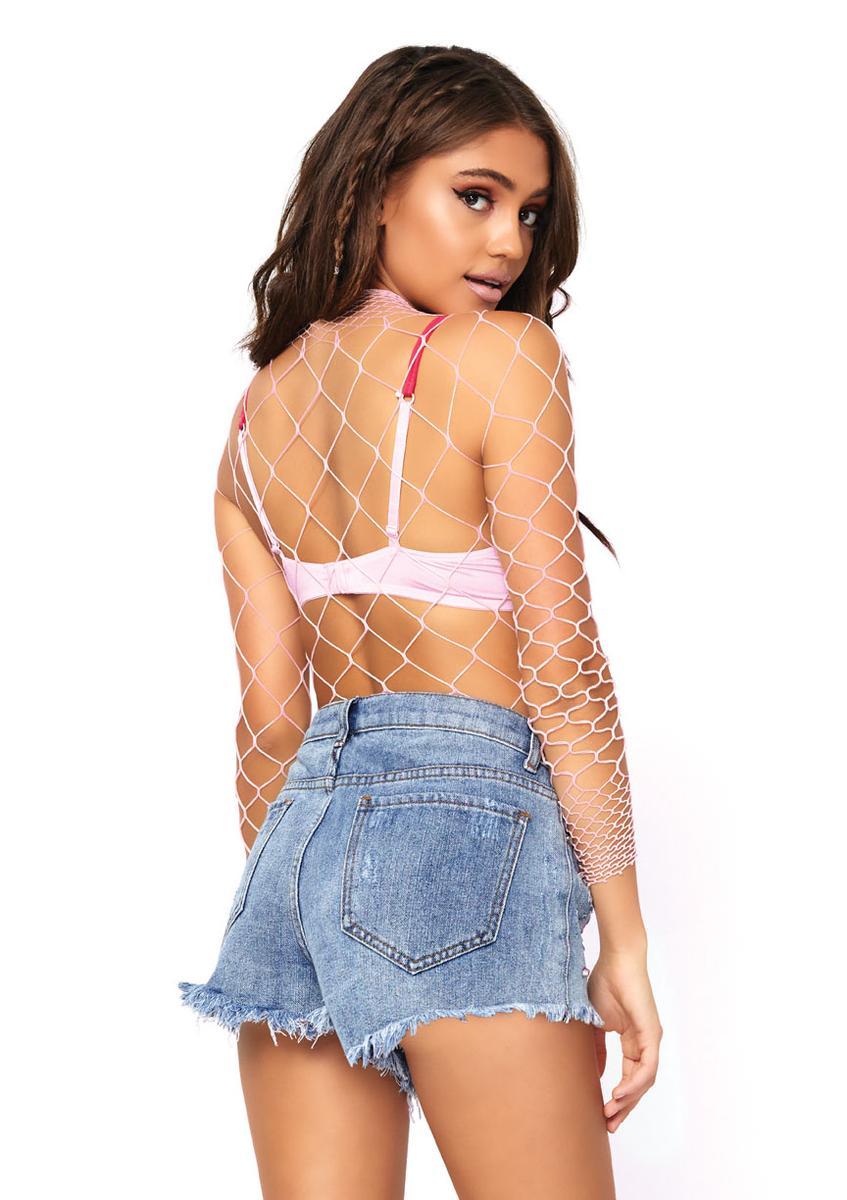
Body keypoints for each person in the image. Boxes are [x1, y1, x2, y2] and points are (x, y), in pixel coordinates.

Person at [179, 43, 662, 1200]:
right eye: (476, 195)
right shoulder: (505, 358)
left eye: (529, 212)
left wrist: (322, 899)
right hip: (464, 832)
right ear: (375, 186)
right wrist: (626, 938)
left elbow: (268, 722)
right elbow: (563, 668)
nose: (509, 242)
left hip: (294, 854)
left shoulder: (251, 419)